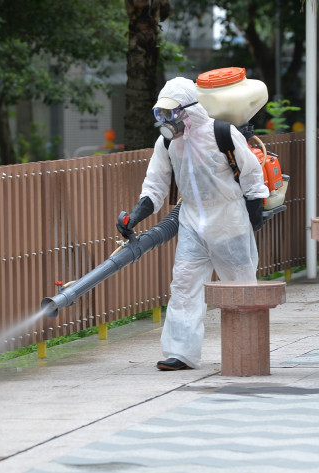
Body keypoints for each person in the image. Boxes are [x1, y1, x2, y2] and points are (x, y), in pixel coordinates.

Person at [116, 77, 269, 371]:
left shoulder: (221, 133)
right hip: (191, 225)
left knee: (240, 287)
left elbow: (251, 175)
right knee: (184, 286)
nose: (165, 121)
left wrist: (254, 215)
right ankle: (180, 353)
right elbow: (155, 186)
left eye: (170, 113)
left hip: (228, 222)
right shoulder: (167, 143)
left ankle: (248, 349)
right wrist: (134, 216)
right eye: (160, 115)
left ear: (188, 109)